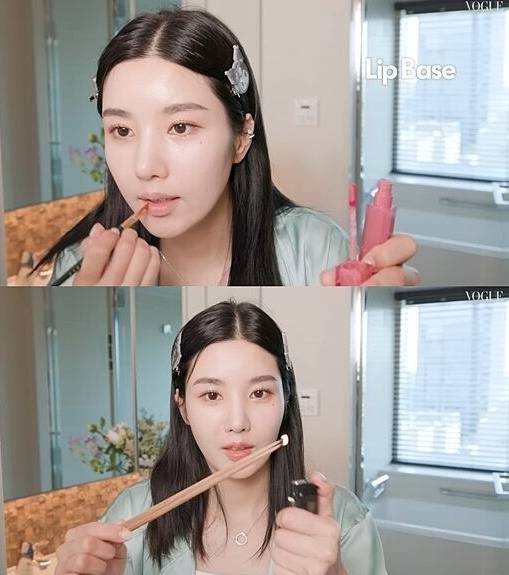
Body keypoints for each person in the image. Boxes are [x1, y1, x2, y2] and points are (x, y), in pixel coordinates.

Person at [37, 8, 418, 287]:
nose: (145, 167)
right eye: (122, 130)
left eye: (180, 127)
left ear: (241, 136)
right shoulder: (81, 267)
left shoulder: (314, 249)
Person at [55, 301, 387, 575]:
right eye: (212, 395)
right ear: (183, 407)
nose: (238, 423)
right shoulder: (133, 515)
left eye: (259, 393)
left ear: (286, 399)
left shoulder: (344, 519)